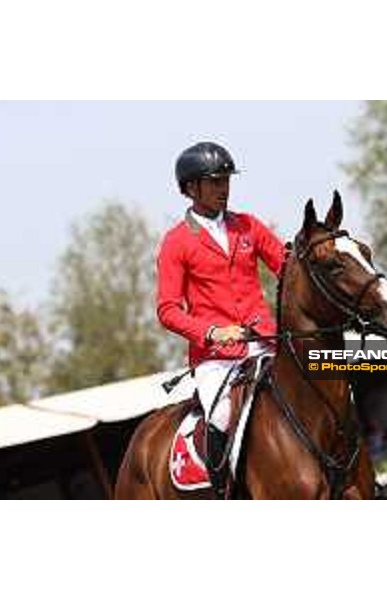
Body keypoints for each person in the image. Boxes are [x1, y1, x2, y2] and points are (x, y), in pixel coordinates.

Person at [156, 141, 285, 496]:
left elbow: (287, 266)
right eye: (215, 181)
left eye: (226, 180)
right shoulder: (176, 242)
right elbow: (167, 310)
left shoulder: (248, 226)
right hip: (217, 358)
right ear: (191, 188)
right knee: (222, 416)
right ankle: (225, 493)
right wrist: (212, 332)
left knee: (319, 381)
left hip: (266, 342)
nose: (223, 188)